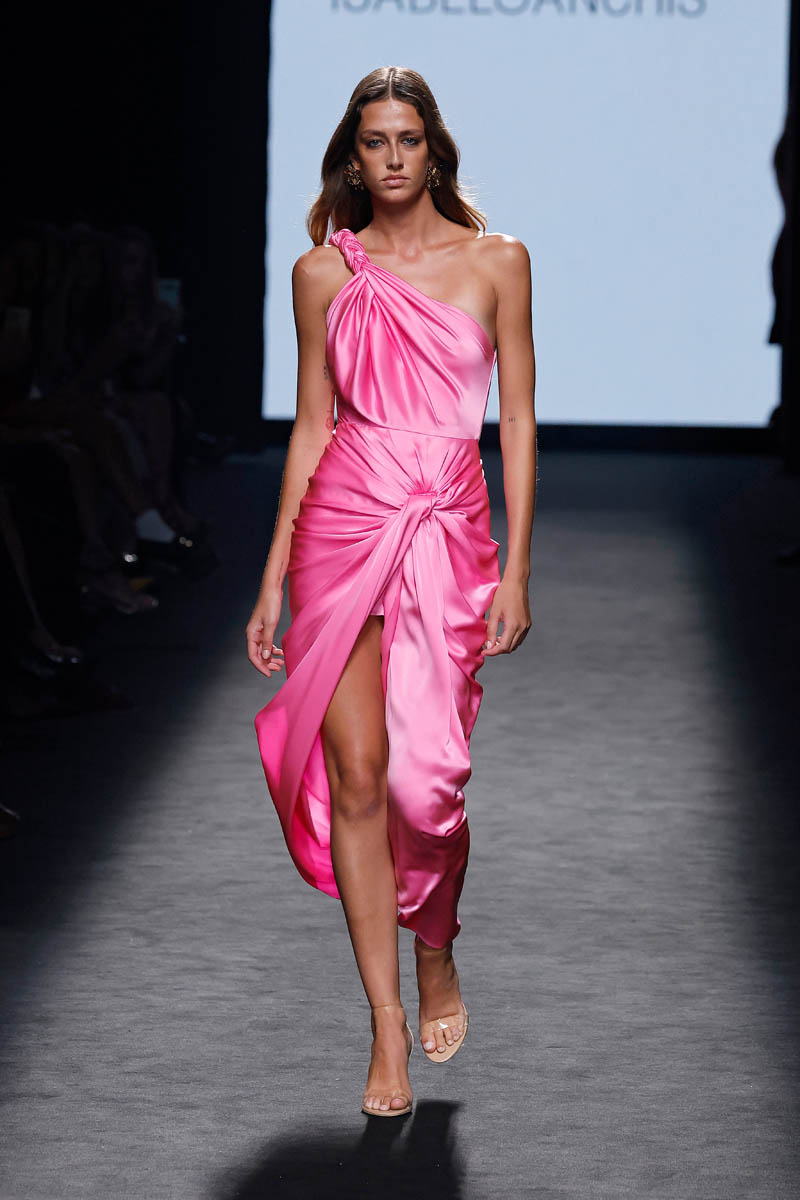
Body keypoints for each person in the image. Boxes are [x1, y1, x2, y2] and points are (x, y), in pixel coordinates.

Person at [247, 66, 536, 1118]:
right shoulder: (323, 273)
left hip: (448, 531)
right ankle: (384, 1028)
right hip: (340, 526)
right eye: (375, 141)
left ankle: (437, 944)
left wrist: (517, 567)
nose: (394, 156)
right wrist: (272, 581)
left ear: (435, 151)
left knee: (427, 785)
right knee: (360, 780)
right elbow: (311, 426)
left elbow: (515, 419)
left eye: (408, 138)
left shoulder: (497, 261)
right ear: (353, 158)